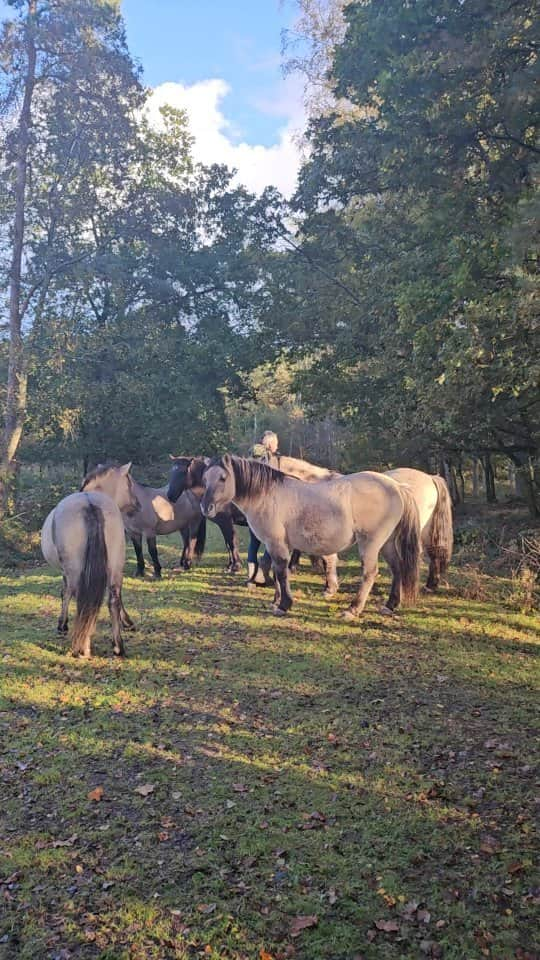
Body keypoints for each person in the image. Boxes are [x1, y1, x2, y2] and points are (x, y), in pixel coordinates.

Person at [246, 431, 279, 586]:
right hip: (266, 505)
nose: (277, 446)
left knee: (253, 542)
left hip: (252, 504)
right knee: (273, 539)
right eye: (276, 443)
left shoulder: (251, 456)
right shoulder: (269, 459)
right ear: (271, 444)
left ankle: (250, 577)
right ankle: (262, 573)